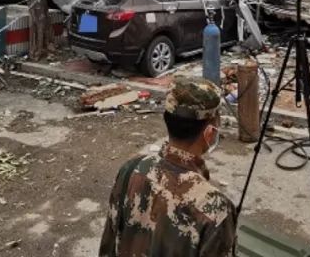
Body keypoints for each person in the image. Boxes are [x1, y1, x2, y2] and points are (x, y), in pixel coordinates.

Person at [99, 78, 236, 256]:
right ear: (209, 133)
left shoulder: (131, 168)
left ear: (168, 120)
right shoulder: (216, 208)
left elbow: (109, 243)